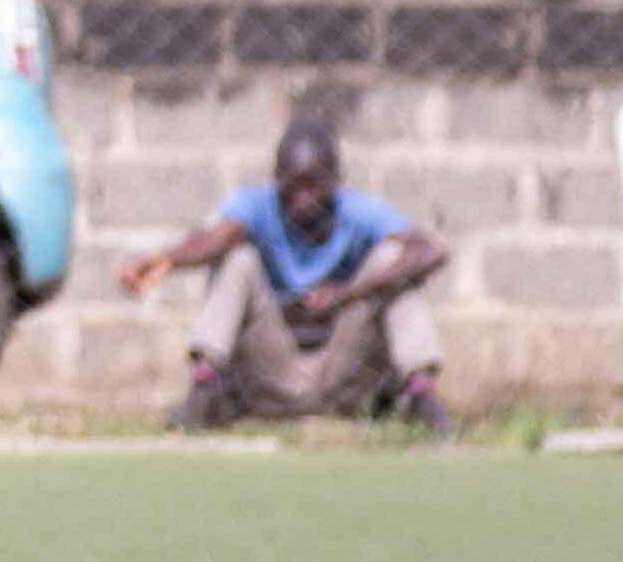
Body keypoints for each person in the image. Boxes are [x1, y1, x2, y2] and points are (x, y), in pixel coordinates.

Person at [117, 112, 455, 433]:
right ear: (277, 181)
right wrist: (166, 260)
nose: (303, 200)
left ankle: (421, 394)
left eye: (315, 186)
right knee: (239, 258)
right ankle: (205, 389)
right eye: (293, 188)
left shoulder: (358, 212)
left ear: (336, 182)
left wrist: (345, 295)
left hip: (344, 370)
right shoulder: (257, 206)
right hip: (273, 371)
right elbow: (215, 240)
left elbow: (432, 251)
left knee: (393, 259)